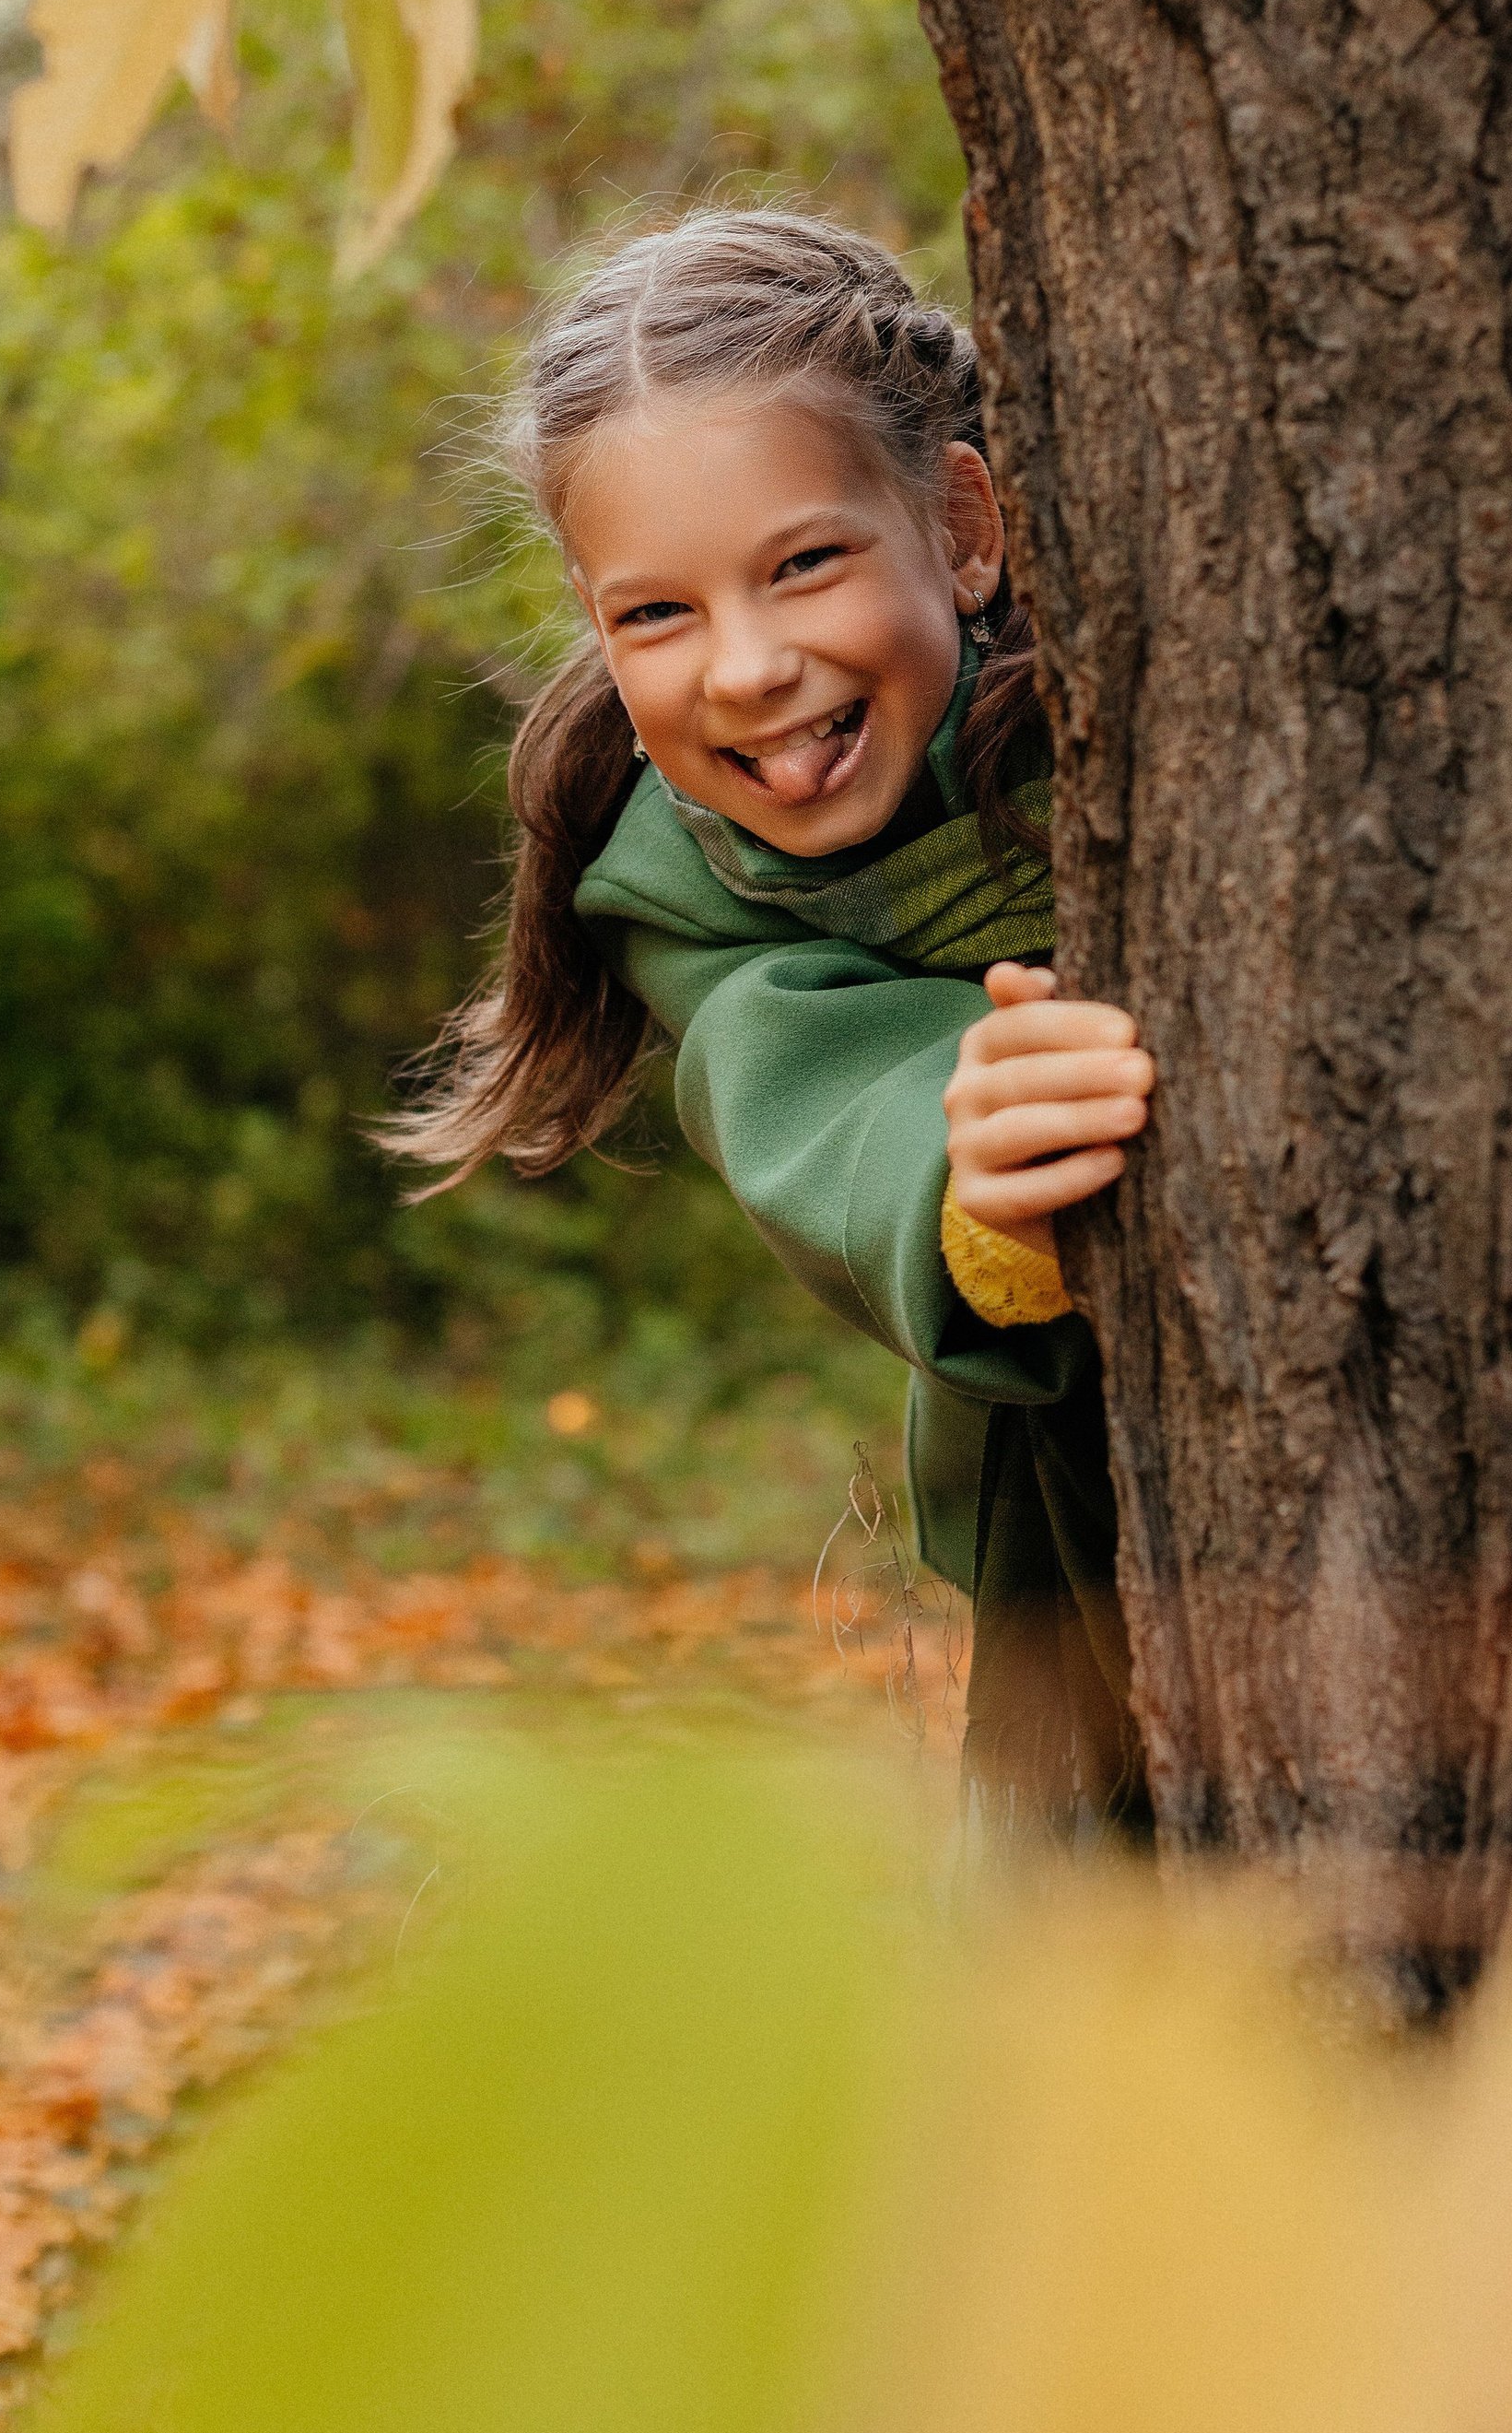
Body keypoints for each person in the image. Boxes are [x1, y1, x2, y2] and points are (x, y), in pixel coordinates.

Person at [392, 206, 1156, 1835]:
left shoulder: (1150, 697)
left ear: (963, 526)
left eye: (804, 565)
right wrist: (980, 1184)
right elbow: (818, 1100)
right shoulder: (679, 890)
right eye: (655, 614)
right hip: (1093, 1571)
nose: (744, 667)